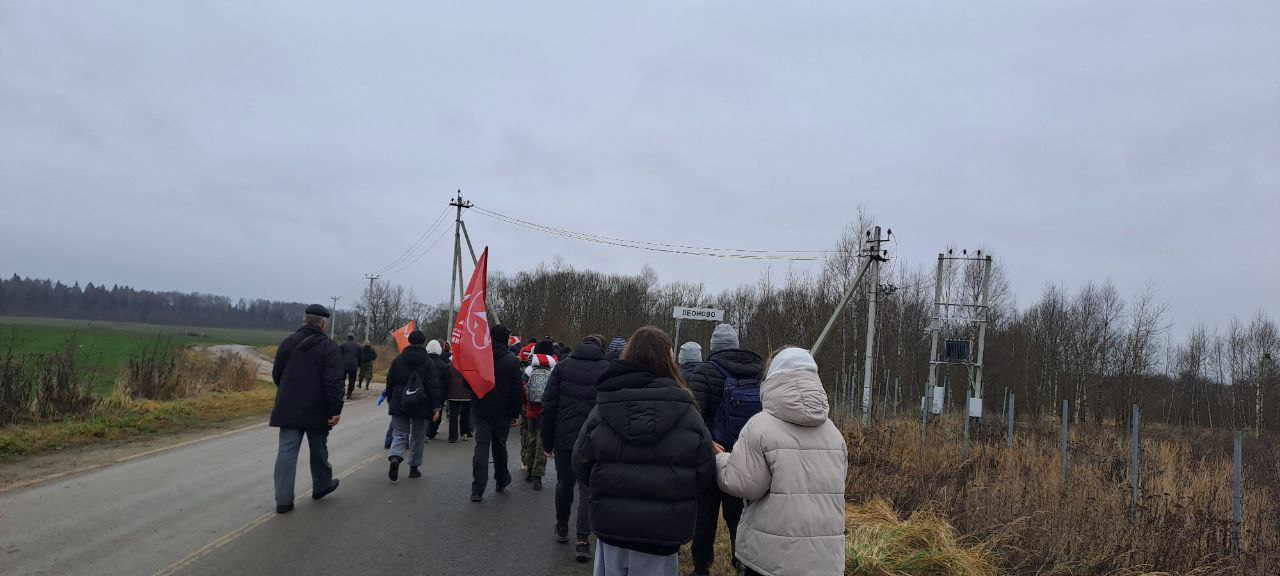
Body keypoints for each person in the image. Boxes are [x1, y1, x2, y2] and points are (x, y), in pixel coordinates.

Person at [574, 326, 716, 575]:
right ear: (668, 359)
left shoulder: (605, 405)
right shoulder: (687, 410)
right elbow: (704, 471)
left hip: (612, 524)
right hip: (664, 529)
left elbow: (581, 461)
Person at [715, 347, 848, 576]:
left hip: (772, 559)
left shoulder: (760, 426)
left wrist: (721, 460)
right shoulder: (834, 433)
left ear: (772, 378)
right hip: (826, 561)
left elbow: (743, 484)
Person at [684, 323, 765, 576]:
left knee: (705, 513)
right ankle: (742, 563)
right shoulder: (759, 372)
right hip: (745, 454)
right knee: (739, 514)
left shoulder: (704, 372)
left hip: (711, 453)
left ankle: (701, 566)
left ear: (713, 346)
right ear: (736, 344)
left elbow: (693, 416)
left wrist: (706, 442)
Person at [540, 334, 608, 562]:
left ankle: (561, 526)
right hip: (595, 438)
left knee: (564, 483)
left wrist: (547, 441)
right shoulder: (607, 369)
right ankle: (582, 540)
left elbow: (548, 405)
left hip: (565, 437)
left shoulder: (562, 367)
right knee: (588, 488)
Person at [269, 304, 344, 514]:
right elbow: (334, 381)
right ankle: (321, 485)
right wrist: (335, 409)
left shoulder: (288, 342)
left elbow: (277, 375)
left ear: (305, 320)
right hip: (317, 408)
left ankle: (283, 500)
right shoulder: (329, 347)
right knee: (318, 448)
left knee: (287, 451)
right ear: (323, 324)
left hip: (289, 405)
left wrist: (289, 391)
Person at [468, 324, 524, 502]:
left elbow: (467, 383)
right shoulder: (512, 360)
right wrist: (515, 413)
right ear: (505, 339)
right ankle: (501, 480)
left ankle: (477, 489)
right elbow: (517, 390)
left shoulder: (479, 358)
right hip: (502, 411)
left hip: (481, 408)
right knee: (500, 446)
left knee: (481, 447)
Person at [383, 330, 445, 481]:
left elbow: (390, 381)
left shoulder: (398, 360)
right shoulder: (428, 362)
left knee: (399, 433)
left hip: (399, 401)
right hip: (421, 403)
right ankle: (414, 468)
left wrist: (390, 398)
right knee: (418, 436)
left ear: (409, 341)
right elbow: (433, 386)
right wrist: (436, 407)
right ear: (423, 343)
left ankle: (395, 457)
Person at [521, 339, 557, 490]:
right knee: (542, 441)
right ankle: (538, 476)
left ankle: (529, 469)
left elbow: (523, 389)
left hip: (531, 410)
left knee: (531, 438)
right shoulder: (555, 370)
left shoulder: (529, 370)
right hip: (547, 411)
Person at [442, 340, 473, 443]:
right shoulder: (469, 365)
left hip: (453, 393)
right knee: (465, 414)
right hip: (466, 393)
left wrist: (446, 392)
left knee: (453, 416)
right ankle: (465, 433)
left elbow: (447, 380)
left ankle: (452, 436)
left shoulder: (450, 365)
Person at [425, 340, 452, 440]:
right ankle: (431, 432)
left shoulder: (424, 363)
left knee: (426, 411)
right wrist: (446, 394)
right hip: (440, 394)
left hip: (426, 392)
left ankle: (425, 431)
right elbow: (447, 381)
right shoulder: (444, 365)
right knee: (437, 413)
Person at [339, 333, 360, 399]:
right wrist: (359, 365)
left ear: (347, 338)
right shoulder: (357, 346)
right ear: (353, 338)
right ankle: (349, 393)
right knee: (352, 380)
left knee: (342, 379)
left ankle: (341, 392)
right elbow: (360, 356)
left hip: (343, 365)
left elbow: (338, 354)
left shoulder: (342, 344)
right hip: (353, 365)